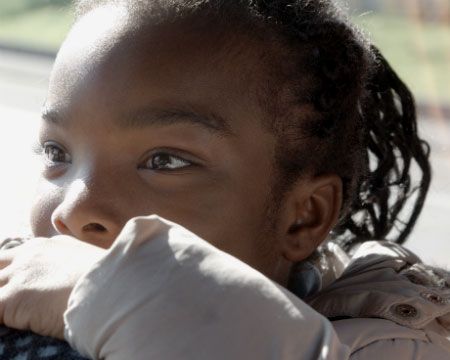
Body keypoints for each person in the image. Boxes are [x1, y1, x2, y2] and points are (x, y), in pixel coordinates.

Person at [0, 0, 449, 358]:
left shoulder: (391, 345)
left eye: (165, 161)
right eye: (57, 153)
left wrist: (98, 292)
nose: (74, 210)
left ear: (302, 217)